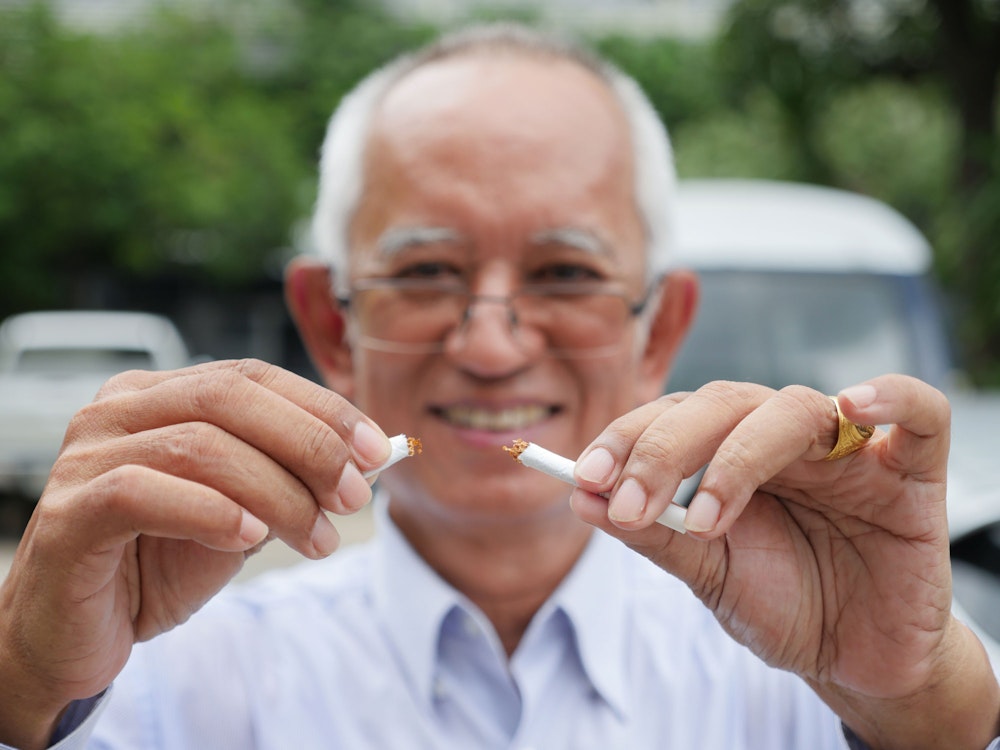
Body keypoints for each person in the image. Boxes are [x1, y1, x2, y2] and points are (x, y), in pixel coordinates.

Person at [0, 22, 997, 750]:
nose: (487, 347)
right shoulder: (154, 686)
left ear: (662, 324)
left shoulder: (807, 686)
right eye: (427, 271)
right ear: (328, 322)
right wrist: (21, 684)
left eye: (563, 273)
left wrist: (922, 702)